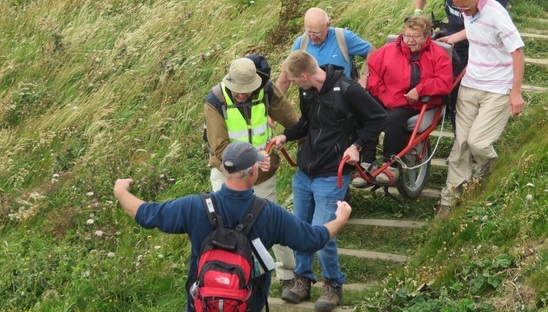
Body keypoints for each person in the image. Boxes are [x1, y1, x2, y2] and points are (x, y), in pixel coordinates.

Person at [114, 141, 353, 312]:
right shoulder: (270, 213)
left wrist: (120, 191)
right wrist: (340, 218)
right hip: (248, 303)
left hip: (202, 302)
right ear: (253, 173)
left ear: (225, 170)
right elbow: (313, 239)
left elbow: (144, 214)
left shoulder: (193, 206)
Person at [270, 50, 387, 311]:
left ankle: (333, 284)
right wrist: (286, 137)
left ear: (303, 76)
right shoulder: (307, 91)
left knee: (322, 233)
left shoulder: (348, 90)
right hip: (305, 172)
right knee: (299, 229)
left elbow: (379, 118)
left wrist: (357, 145)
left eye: (293, 80)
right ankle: (302, 280)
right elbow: (307, 123)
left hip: (332, 174)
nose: (292, 85)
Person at [204, 55, 299, 293]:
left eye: (246, 90)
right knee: (222, 228)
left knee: (274, 223)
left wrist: (301, 143)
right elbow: (220, 148)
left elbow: (293, 122)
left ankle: (288, 275)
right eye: (237, 91)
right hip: (227, 175)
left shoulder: (267, 89)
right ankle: (227, 277)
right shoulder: (215, 99)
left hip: (262, 176)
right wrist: (255, 156)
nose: (242, 95)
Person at [437, 0, 525, 217]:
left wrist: (515, 93)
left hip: (497, 89)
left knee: (478, 143)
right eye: (458, 7)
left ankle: (490, 169)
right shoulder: (468, 9)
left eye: (464, 6)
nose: (462, 10)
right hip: (470, 85)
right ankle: (450, 197)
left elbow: (517, 52)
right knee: (461, 144)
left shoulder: (497, 14)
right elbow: (473, 25)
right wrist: (455, 37)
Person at [352, 15, 453, 186]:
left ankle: (390, 164)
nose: (410, 40)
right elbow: (373, 74)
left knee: (394, 118)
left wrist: (421, 90)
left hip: (415, 102)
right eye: (407, 35)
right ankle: (366, 161)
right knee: (367, 112)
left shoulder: (438, 55)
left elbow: (444, 81)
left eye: (415, 36)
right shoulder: (387, 51)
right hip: (388, 97)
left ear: (426, 37)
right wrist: (383, 94)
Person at [275, 7, 375, 93]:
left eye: (316, 33)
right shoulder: (301, 43)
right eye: (308, 32)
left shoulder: (343, 37)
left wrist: (365, 76)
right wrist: (272, 105)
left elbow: (372, 52)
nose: (312, 37)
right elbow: (286, 76)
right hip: (315, 103)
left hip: (345, 100)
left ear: (328, 25)